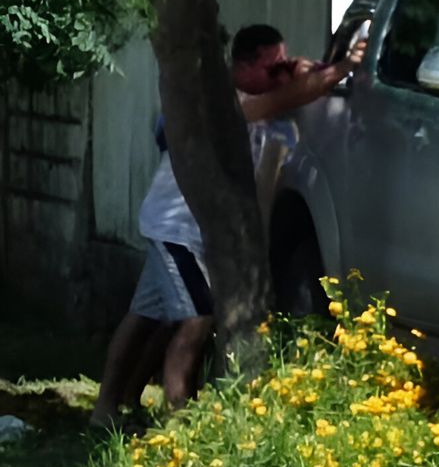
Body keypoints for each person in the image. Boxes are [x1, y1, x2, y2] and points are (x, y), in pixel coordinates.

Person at [89, 25, 365, 431]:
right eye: (271, 67)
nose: (280, 73)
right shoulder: (225, 103)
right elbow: (289, 95)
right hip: (176, 228)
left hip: (185, 230)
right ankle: (180, 423)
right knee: (197, 320)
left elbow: (297, 84)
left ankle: (107, 409)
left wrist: (303, 67)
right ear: (244, 66)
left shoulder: (260, 101)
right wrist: (341, 67)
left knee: (144, 318)